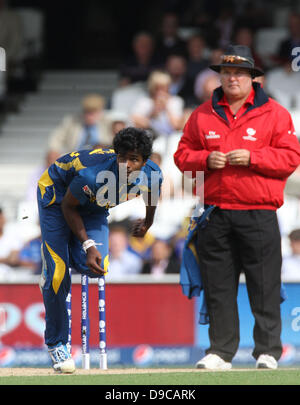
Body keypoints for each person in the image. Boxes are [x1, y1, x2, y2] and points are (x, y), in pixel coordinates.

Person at [174, 45, 300, 370]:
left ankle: (268, 351)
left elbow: (291, 158)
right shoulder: (202, 113)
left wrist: (253, 157)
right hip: (215, 212)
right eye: (227, 72)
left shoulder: (275, 113)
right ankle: (220, 352)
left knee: (265, 285)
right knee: (218, 287)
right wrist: (205, 159)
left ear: (253, 78)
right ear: (220, 76)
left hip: (258, 211)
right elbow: (182, 156)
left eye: (239, 73)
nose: (232, 78)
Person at [37, 127, 163, 373]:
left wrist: (148, 222)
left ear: (145, 162)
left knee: (96, 267)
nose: (126, 164)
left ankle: (62, 256)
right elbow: (69, 207)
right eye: (122, 157)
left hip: (93, 205)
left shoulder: (153, 174)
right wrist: (88, 244)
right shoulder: (93, 175)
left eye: (134, 159)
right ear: (116, 155)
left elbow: (152, 195)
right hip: (58, 196)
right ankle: (56, 343)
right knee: (58, 273)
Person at [47, 94, 113, 154]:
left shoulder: (109, 122)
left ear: (100, 112)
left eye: (93, 113)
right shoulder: (71, 121)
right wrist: (54, 150)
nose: (89, 116)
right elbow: (56, 138)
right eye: (87, 112)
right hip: (75, 159)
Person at [130, 70, 184, 138]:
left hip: (171, 139)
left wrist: (166, 108)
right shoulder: (144, 101)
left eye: (163, 87)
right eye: (157, 87)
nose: (160, 91)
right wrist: (154, 111)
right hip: (149, 137)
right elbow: (135, 123)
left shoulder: (176, 101)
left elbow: (177, 126)